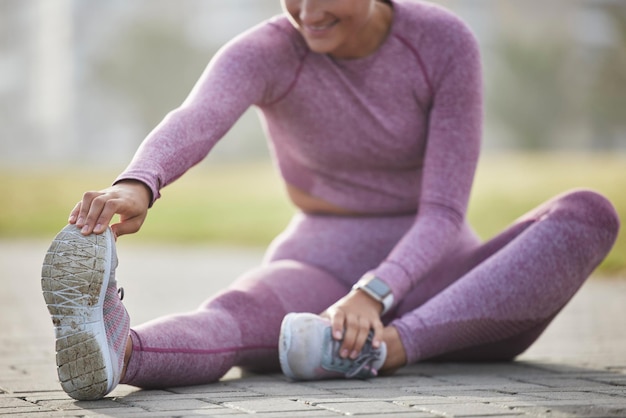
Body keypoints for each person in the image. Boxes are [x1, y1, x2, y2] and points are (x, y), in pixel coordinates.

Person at [41, 0, 619, 401]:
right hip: (316, 260)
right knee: (230, 317)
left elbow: (443, 212)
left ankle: (383, 349)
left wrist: (374, 295)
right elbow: (197, 116)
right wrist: (138, 182)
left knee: (587, 212)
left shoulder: (443, 42)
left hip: (445, 284)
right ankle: (117, 353)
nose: (309, 12)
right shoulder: (266, 50)